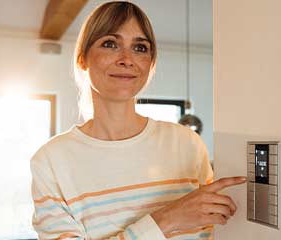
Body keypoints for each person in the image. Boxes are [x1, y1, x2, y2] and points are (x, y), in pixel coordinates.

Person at [30, 2, 245, 239]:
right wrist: (167, 219)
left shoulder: (188, 144)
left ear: (150, 63)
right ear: (82, 59)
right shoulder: (51, 161)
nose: (126, 59)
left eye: (140, 48)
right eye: (110, 44)